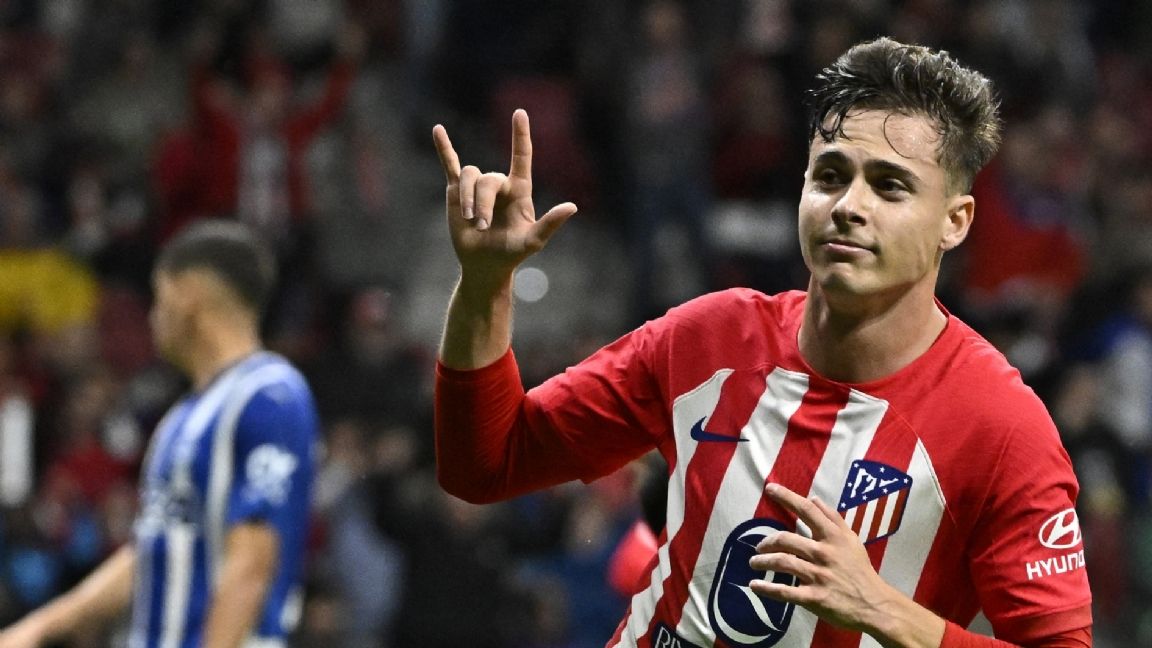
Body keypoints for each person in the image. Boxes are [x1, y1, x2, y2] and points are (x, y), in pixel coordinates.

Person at [432, 37, 1092, 647]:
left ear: (955, 221)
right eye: (830, 175)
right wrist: (486, 288)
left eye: (889, 185)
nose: (848, 205)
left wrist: (884, 611)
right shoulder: (707, 339)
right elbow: (485, 464)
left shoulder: (1002, 429)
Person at [0, 220, 319, 648]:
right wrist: (38, 629)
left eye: (159, 297)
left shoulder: (269, 394)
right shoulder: (180, 419)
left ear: (188, 296)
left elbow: (252, 560)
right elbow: (153, 548)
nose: (153, 317)